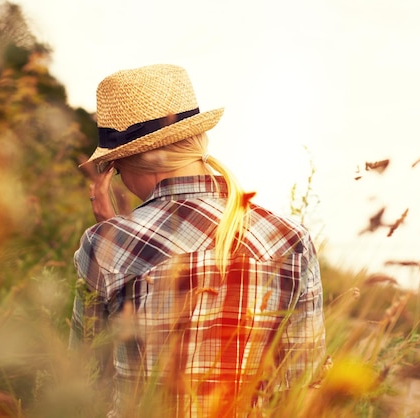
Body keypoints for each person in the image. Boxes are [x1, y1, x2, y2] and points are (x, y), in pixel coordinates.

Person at [70, 64, 325, 417]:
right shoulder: (291, 239)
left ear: (125, 163)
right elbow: (302, 384)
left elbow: (85, 380)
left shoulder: (105, 244)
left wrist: (112, 238)